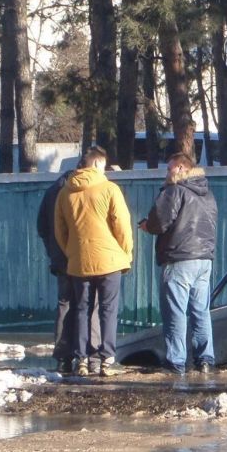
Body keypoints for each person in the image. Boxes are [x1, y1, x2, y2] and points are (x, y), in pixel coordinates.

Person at [54, 147, 133, 377]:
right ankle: (106, 359)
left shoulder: (65, 193)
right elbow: (122, 225)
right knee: (108, 309)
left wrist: (72, 252)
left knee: (81, 309)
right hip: (109, 260)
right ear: (98, 164)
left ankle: (81, 359)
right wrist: (126, 253)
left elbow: (60, 230)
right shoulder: (110, 189)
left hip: (79, 261)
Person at [139, 152, 218, 375]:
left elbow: (159, 221)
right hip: (204, 259)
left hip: (179, 257)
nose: (167, 173)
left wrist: (147, 225)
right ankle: (205, 359)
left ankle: (175, 361)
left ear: (182, 168)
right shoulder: (207, 194)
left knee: (175, 312)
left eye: (170, 168)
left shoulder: (175, 191)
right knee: (200, 311)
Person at [36, 158, 100, 375]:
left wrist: (54, 250)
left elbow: (42, 227)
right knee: (89, 303)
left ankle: (63, 358)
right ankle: (91, 356)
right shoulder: (89, 188)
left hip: (61, 259)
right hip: (83, 256)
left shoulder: (52, 191)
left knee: (65, 304)